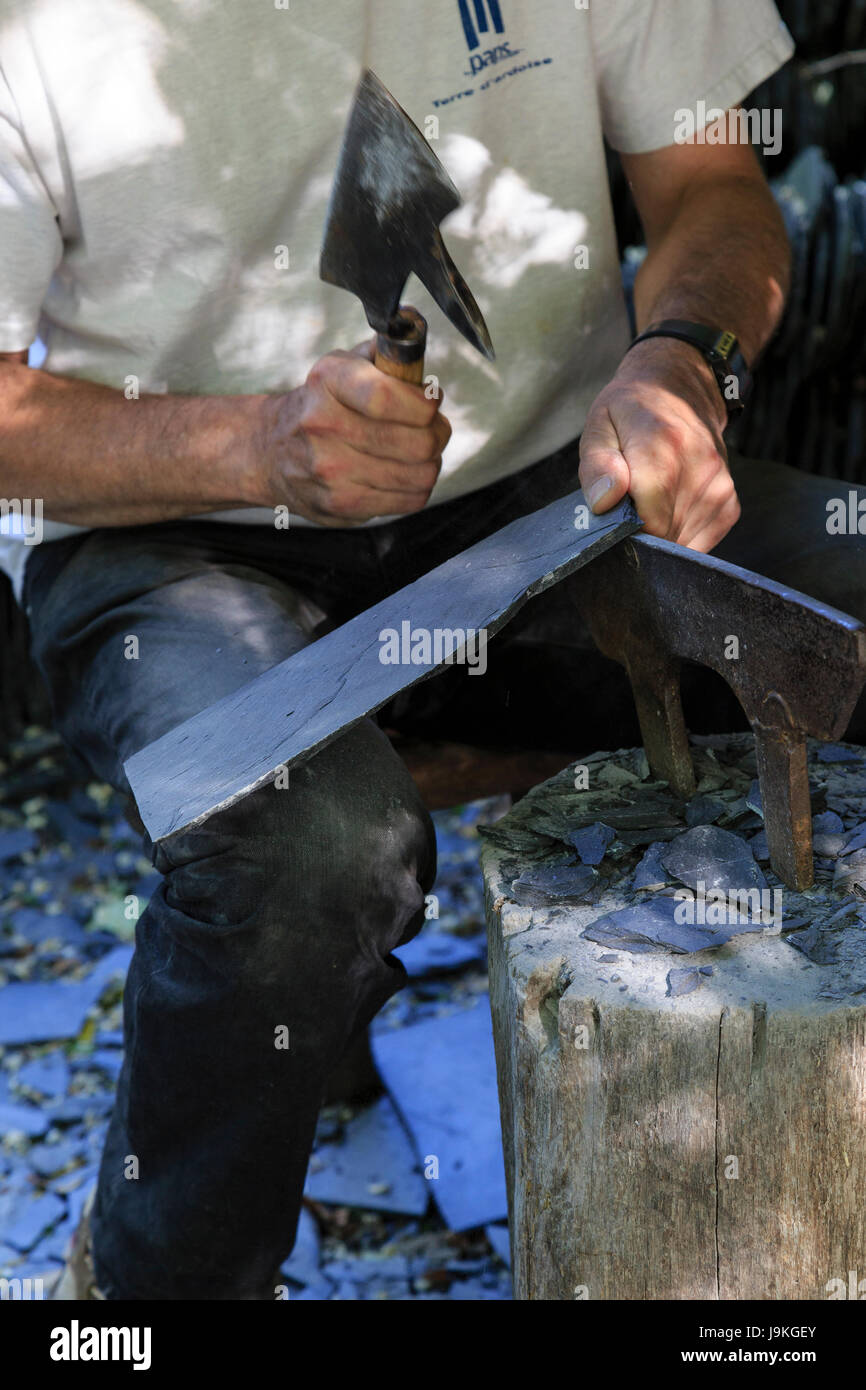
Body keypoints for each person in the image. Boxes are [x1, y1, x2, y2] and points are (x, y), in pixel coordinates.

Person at [1, 1, 861, 1300]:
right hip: (161, 524)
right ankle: (135, 1302)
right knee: (308, 846)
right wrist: (254, 447)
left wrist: (683, 361)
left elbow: (715, 190)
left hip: (556, 493)